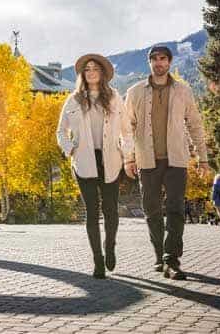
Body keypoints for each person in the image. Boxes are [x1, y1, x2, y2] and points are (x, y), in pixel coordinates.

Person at [122, 45, 209, 280]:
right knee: (151, 210)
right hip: (146, 160)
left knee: (176, 209)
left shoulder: (183, 91)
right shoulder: (134, 92)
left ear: (169, 62)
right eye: (154, 59)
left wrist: (203, 158)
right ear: (149, 63)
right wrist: (128, 158)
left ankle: (172, 259)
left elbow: (195, 125)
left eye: (163, 59)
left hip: (176, 159)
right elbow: (126, 128)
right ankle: (160, 255)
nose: (159, 63)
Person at [57, 53, 124, 279]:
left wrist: (126, 152)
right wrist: (70, 150)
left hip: (110, 159)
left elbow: (126, 128)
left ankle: (110, 247)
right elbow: (60, 131)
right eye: (87, 69)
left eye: (95, 68)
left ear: (102, 73)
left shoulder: (114, 97)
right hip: (84, 161)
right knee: (92, 213)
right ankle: (98, 261)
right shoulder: (73, 100)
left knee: (111, 211)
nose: (91, 72)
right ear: (83, 75)